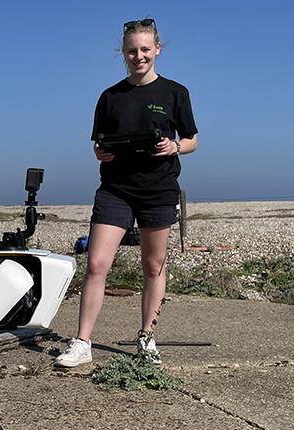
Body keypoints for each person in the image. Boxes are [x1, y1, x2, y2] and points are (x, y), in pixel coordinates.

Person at [55, 18, 198, 367]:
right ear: (123, 53)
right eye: (132, 51)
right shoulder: (110, 96)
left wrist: (175, 147)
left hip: (158, 190)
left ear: (157, 50)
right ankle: (82, 342)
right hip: (115, 189)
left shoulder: (176, 93)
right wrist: (101, 152)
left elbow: (192, 140)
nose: (139, 56)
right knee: (97, 263)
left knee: (153, 266)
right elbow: (98, 145)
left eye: (145, 50)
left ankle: (147, 339)